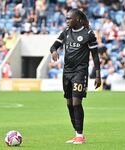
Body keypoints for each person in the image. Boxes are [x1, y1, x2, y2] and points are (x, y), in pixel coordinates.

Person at [50, 9, 101, 144]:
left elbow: (95, 56)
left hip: (80, 72)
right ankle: (76, 133)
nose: (67, 21)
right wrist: (54, 51)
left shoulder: (88, 34)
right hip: (67, 73)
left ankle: (80, 135)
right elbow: (54, 46)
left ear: (77, 19)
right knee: (69, 103)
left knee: (76, 102)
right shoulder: (66, 32)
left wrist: (98, 75)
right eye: (66, 19)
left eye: (69, 19)